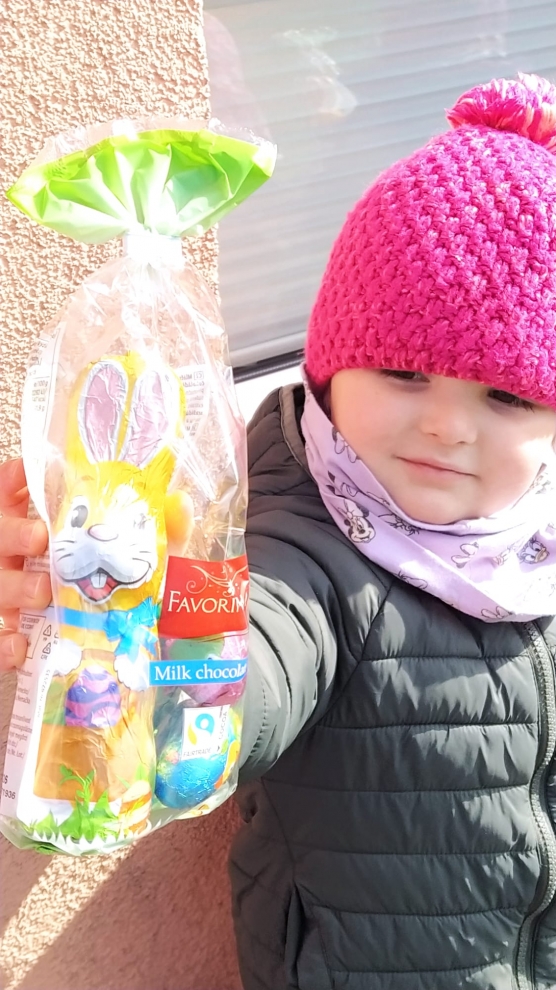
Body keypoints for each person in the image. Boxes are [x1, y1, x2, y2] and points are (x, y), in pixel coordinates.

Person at [2, 73, 556, 990]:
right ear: (331, 372)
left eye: (505, 397)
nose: (446, 426)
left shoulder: (536, 526)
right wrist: (146, 629)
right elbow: (256, 657)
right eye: (403, 375)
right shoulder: (310, 535)